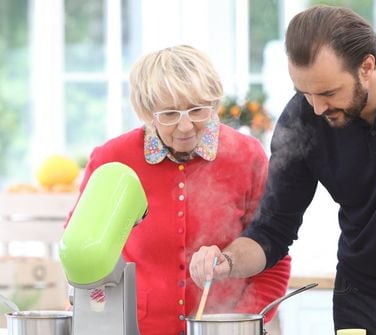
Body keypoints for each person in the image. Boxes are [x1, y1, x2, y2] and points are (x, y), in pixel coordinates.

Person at [189, 5, 376, 335]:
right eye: (304, 93)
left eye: (328, 93)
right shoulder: (303, 117)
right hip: (361, 295)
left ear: (367, 66)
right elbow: (272, 231)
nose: (317, 108)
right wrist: (228, 261)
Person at [68, 45, 291, 335]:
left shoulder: (247, 156)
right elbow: (82, 256)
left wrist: (240, 321)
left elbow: (274, 255)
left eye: (198, 110)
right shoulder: (114, 160)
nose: (186, 126)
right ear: (147, 111)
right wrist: (104, 319)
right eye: (170, 114)